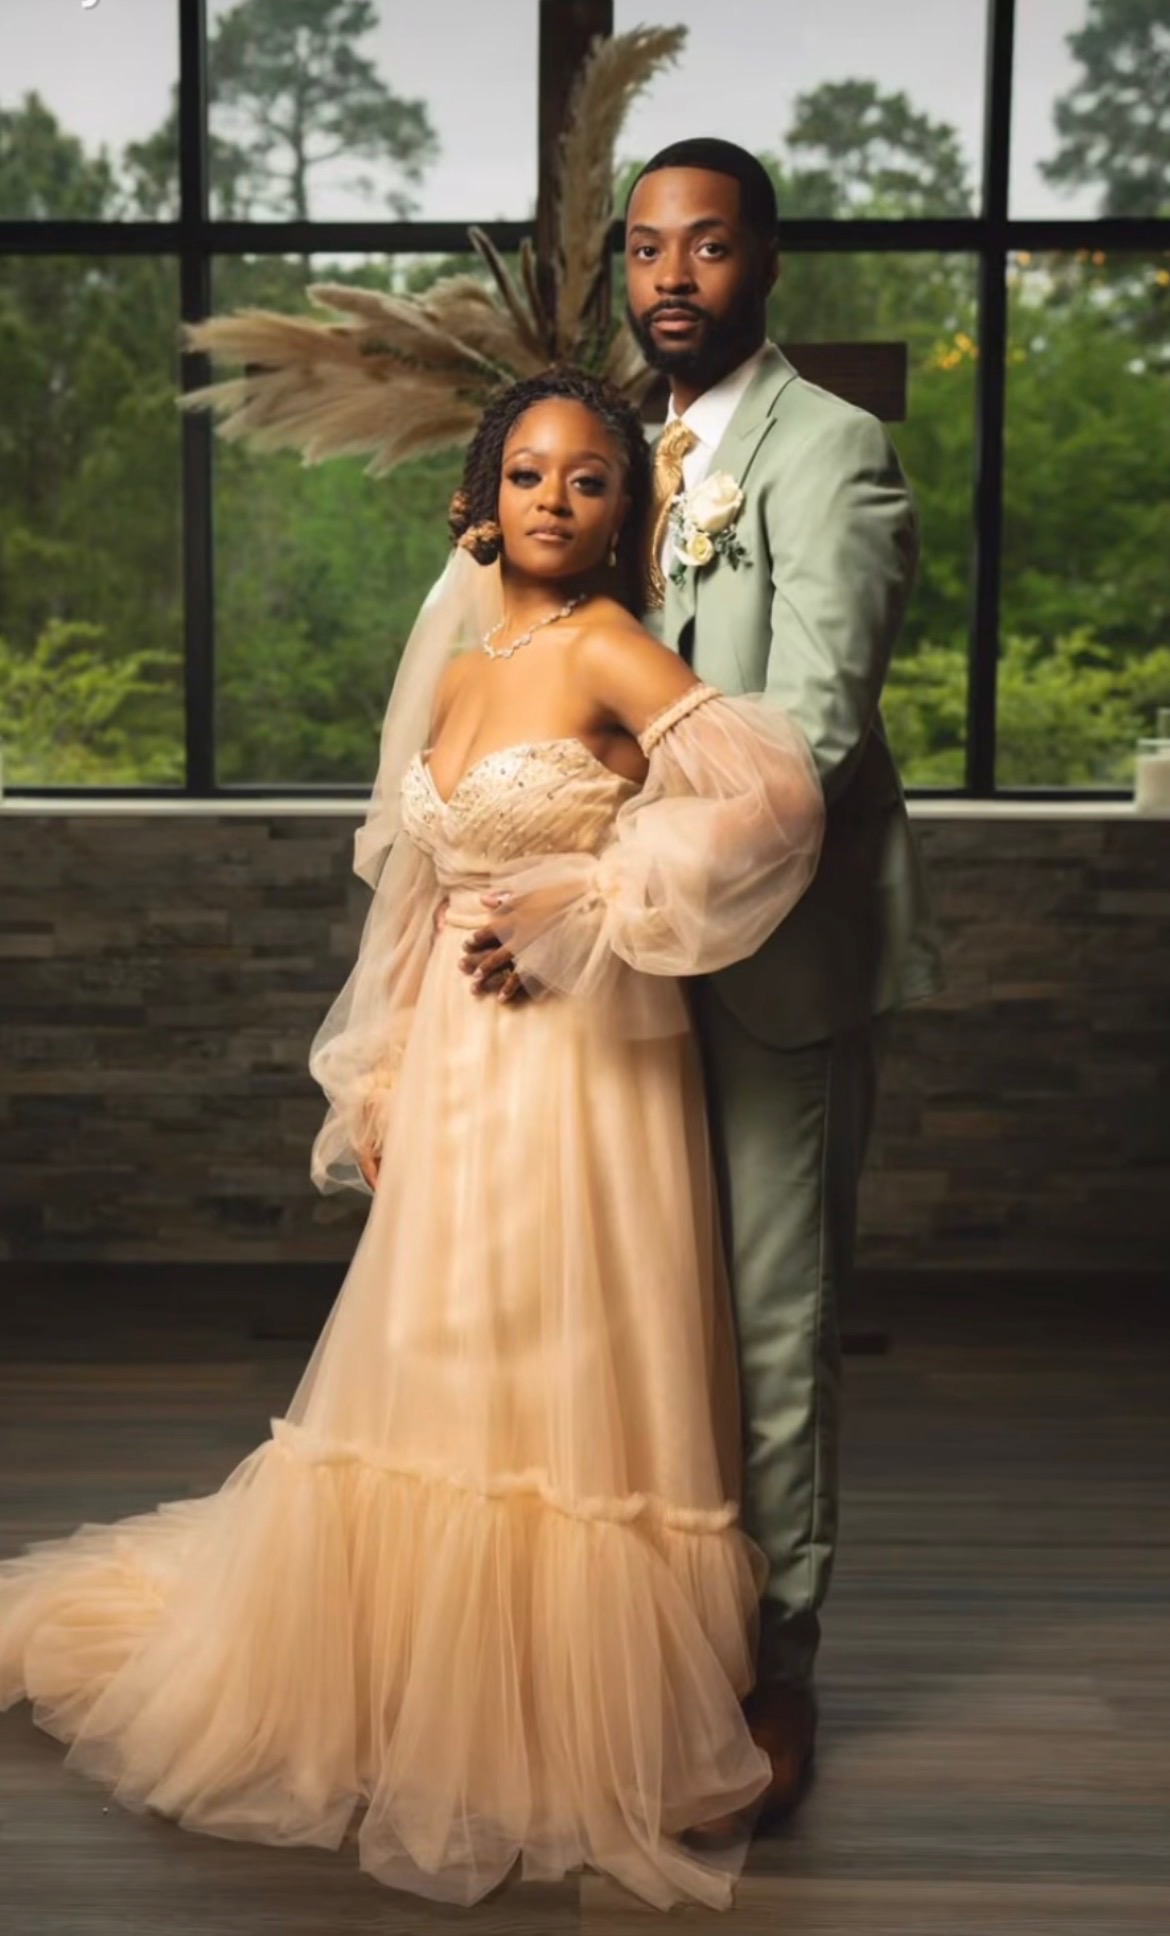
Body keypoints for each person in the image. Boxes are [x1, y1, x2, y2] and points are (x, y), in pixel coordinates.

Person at [0, 366, 826, 1912]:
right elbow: (411, 890)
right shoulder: (459, 668)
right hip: (456, 1065)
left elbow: (770, 792)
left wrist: (590, 896)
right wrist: (374, 1081)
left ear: (623, 512)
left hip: (585, 1064)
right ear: (483, 493)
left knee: (563, 1361)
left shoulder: (607, 648)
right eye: (529, 474)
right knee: (442, 1350)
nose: (556, 501)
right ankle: (413, 1683)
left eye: (591, 480)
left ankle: (551, 1711)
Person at [611, 135, 943, 1823]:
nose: (673, 277)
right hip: (621, 970)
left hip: (772, 954)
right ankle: (646, 1642)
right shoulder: (605, 448)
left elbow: (811, 729)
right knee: (635, 1323)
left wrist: (614, 869)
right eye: (646, 250)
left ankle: (776, 1674)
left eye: (710, 245)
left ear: (766, 266)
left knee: (770, 1322)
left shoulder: (833, 450)